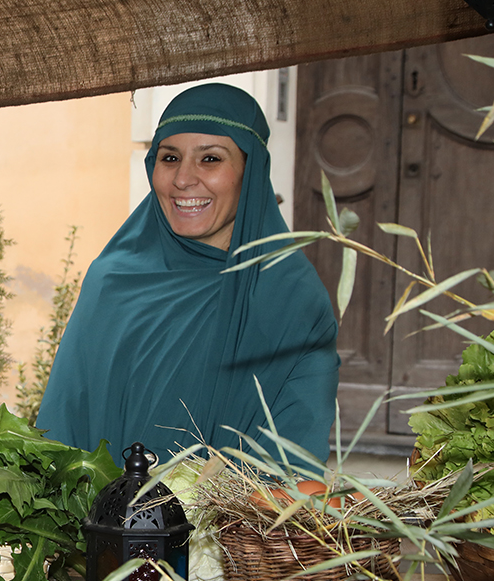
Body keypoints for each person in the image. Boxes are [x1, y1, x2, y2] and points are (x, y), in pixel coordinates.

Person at [37, 83, 339, 468]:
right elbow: (62, 428)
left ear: (252, 170)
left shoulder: (289, 297)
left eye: (210, 159)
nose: (183, 179)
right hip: (98, 522)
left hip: (229, 525)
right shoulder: (112, 282)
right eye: (169, 157)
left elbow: (294, 459)